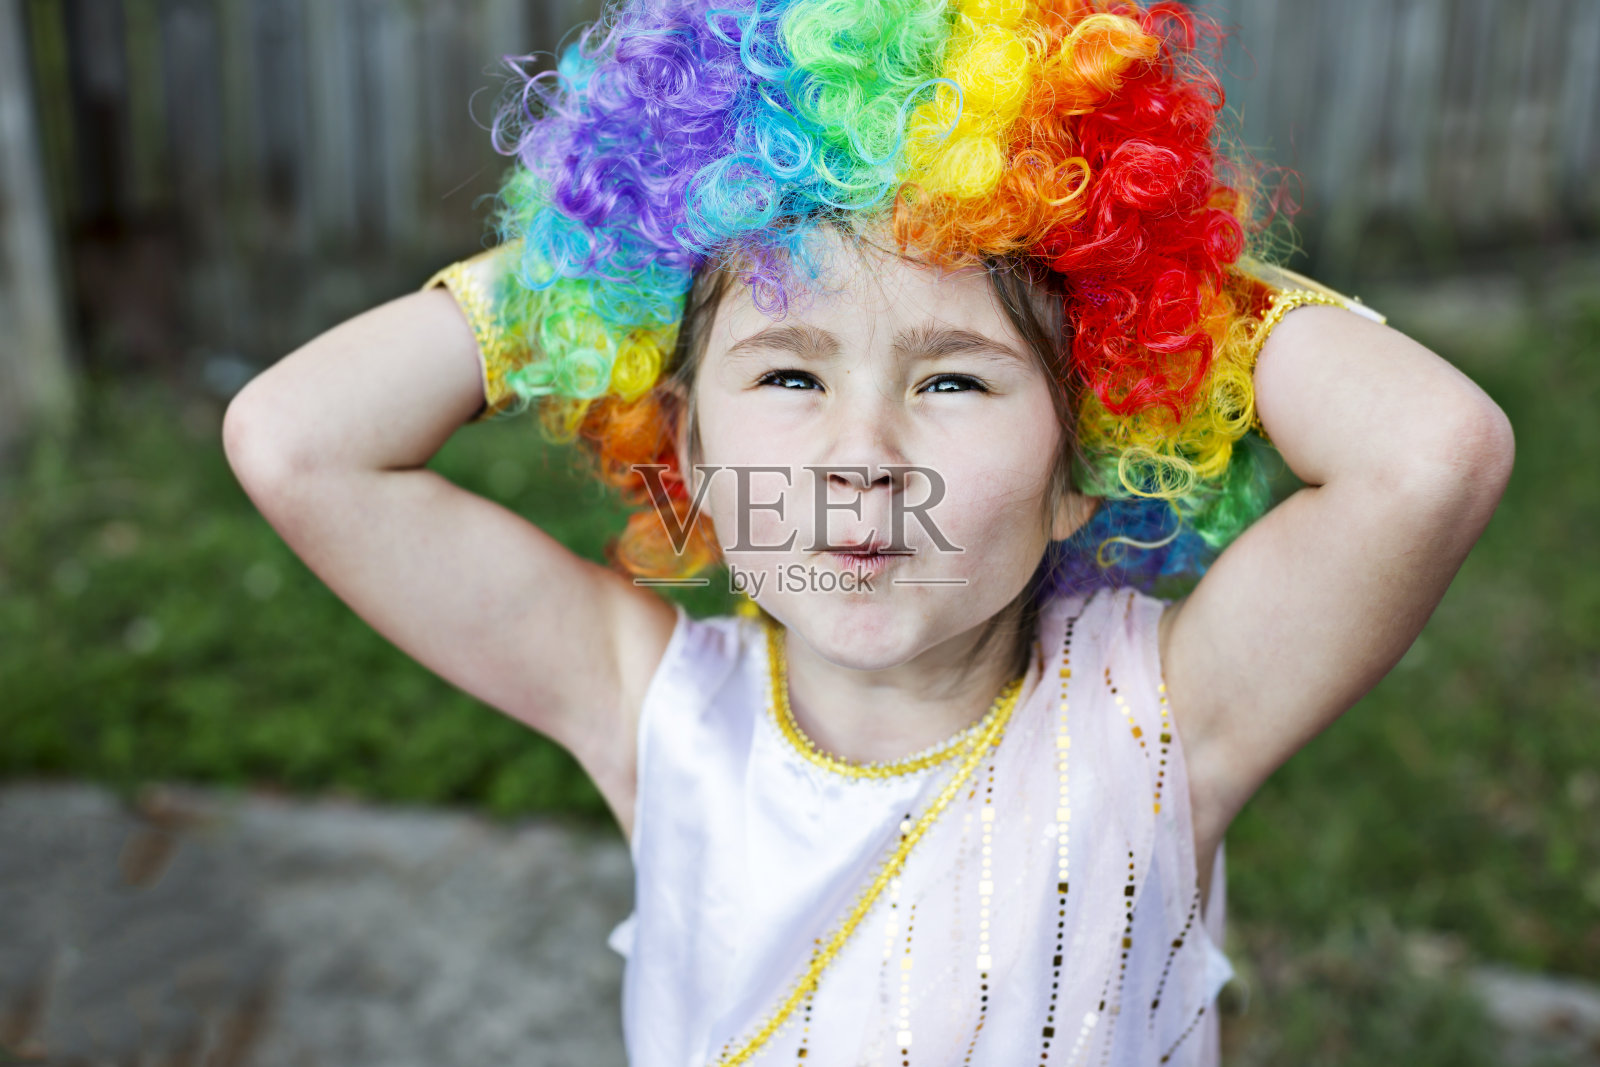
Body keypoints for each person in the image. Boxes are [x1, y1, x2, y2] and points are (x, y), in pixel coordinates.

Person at [221, 0, 1515, 1063]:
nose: (864, 457)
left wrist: (1167, 283)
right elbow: (297, 444)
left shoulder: (1163, 721)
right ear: (688, 455)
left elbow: (1433, 457)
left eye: (953, 381)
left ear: (1085, 460)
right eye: (791, 373)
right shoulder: (655, 715)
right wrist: (583, 269)